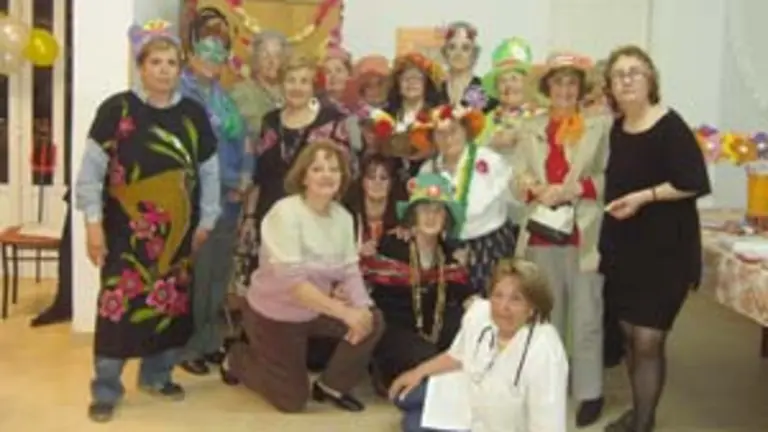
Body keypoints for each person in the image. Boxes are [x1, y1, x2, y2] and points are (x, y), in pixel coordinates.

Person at [74, 20, 220, 423]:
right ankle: (106, 387)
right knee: (117, 311)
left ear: (180, 68)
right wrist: (92, 223)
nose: (164, 69)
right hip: (126, 234)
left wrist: (207, 217)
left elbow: (209, 171)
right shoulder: (116, 110)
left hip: (179, 234)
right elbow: (91, 172)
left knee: (170, 307)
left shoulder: (193, 113)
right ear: (141, 65)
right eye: (156, 61)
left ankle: (157, 376)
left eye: (171, 62)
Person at [220, 140, 384, 414]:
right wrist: (346, 313)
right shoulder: (285, 213)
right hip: (275, 315)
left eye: (334, 169)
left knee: (373, 320)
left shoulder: (343, 217)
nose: (327, 175)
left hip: (315, 309)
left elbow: (349, 270)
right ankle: (236, 358)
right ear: (303, 176)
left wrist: (362, 309)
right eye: (317, 168)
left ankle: (332, 385)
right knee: (292, 401)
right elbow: (294, 285)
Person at [599, 45, 711, 432]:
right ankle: (639, 410)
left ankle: (643, 423)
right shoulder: (617, 128)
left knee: (648, 341)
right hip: (624, 252)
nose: (626, 80)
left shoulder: (670, 125)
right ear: (610, 87)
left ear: (650, 80)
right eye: (618, 74)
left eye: (634, 72)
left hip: (666, 254)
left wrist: (644, 197)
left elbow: (694, 182)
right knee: (630, 337)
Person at [514, 50, 611, 427]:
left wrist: (574, 189)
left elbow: (608, 179)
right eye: (558, 82)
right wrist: (535, 187)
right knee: (544, 316)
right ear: (546, 87)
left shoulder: (598, 126)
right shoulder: (530, 127)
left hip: (583, 237)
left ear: (581, 88)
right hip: (540, 234)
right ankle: (546, 384)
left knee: (587, 317)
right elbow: (516, 177)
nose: (565, 89)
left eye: (572, 82)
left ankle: (589, 392)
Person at [389, 258, 568, 432]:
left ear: (532, 308)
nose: (503, 307)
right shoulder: (480, 313)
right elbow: (456, 355)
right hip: (468, 394)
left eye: (516, 299)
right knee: (403, 397)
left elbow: (548, 425)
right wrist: (417, 373)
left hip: (499, 421)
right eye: (498, 296)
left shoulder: (545, 352)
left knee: (412, 425)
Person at [177, 35, 249, 376]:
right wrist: (228, 182)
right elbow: (188, 153)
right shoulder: (180, 96)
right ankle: (187, 346)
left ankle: (208, 342)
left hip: (230, 200)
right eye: (205, 52)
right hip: (197, 199)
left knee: (217, 277)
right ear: (191, 56)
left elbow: (244, 141)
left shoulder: (225, 99)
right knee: (195, 277)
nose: (211, 59)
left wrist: (246, 177)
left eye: (218, 54)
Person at [363, 173, 473, 392]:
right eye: (424, 209)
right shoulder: (392, 244)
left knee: (465, 328)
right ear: (413, 215)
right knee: (434, 360)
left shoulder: (448, 256)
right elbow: (366, 277)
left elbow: (464, 292)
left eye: (438, 210)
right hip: (394, 332)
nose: (431, 217)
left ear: (446, 219)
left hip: (432, 332)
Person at [414, 104, 518, 294]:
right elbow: (424, 216)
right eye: (440, 134)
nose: (448, 139)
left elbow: (516, 200)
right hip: (449, 249)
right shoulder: (428, 170)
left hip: (492, 246)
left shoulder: (490, 160)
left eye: (453, 131)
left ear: (465, 131)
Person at [229, 30, 291, 296]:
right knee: (249, 257)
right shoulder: (240, 93)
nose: (270, 61)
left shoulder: (291, 91)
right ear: (254, 58)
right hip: (250, 184)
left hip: (285, 186)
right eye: (264, 54)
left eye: (277, 55)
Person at [438, 21, 497, 112]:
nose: (458, 53)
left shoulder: (486, 92)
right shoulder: (434, 91)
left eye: (465, 48)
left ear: (474, 54)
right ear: (444, 53)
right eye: (452, 47)